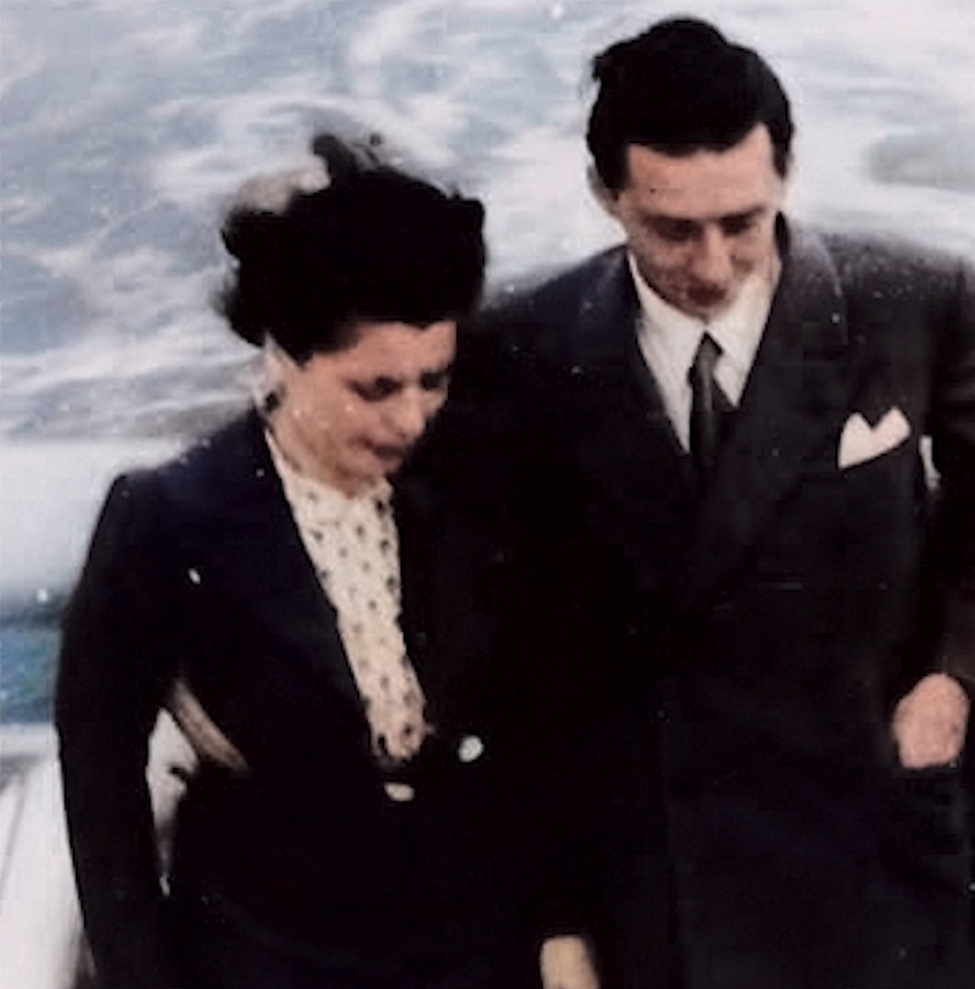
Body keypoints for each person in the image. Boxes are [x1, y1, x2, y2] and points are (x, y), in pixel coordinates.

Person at [465, 17, 975, 989]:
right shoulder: (525, 344)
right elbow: (521, 658)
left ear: (784, 175)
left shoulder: (909, 298)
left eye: (741, 221)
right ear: (604, 195)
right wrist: (558, 913)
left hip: (867, 830)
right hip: (653, 869)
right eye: (670, 228)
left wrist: (953, 679)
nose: (711, 266)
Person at [55, 134, 583, 989]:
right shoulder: (168, 516)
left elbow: (539, 722)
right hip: (267, 950)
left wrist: (561, 929)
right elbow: (100, 778)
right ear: (286, 354)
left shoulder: (478, 485)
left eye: (433, 380)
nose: (412, 418)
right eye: (374, 388)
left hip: (475, 946)